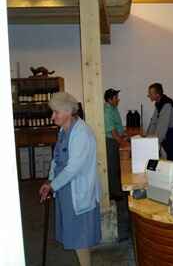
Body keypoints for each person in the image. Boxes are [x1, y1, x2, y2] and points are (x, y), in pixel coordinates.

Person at [39, 92, 101, 266]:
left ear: (67, 111)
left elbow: (73, 168)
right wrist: (49, 181)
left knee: (80, 236)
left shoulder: (81, 133)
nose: (52, 117)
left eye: (55, 112)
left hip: (78, 189)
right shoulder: (63, 130)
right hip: (65, 188)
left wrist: (53, 185)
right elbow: (57, 159)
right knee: (74, 232)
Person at [104, 88, 126, 199]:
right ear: (110, 99)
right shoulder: (107, 111)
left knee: (117, 167)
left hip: (116, 140)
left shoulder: (113, 108)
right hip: (111, 142)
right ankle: (114, 193)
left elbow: (118, 126)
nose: (118, 99)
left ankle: (118, 189)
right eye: (116, 98)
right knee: (112, 168)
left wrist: (124, 135)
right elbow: (112, 132)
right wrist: (123, 143)